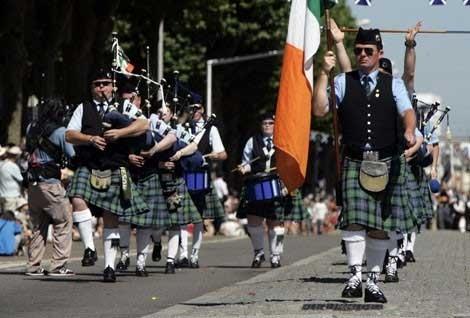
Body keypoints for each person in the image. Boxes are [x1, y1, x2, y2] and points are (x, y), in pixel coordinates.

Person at [313, 27, 417, 303]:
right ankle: (354, 276)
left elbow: (407, 112)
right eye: (358, 50)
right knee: (354, 221)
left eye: (368, 51)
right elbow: (320, 109)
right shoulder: (343, 81)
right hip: (355, 159)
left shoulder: (393, 83)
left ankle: (372, 281)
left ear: (379, 53)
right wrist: (323, 73)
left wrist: (409, 131)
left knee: (379, 225)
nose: (362, 55)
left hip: (386, 161)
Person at [66, 68, 149, 282]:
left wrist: (121, 133)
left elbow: (143, 124)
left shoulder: (123, 106)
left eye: (105, 83)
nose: (101, 87)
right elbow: (69, 134)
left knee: (110, 217)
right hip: (89, 163)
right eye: (96, 84)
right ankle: (90, 248)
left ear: (112, 85)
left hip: (115, 165)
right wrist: (90, 139)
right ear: (91, 87)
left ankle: (110, 267)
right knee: (76, 199)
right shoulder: (82, 108)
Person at [24, 97, 75, 276]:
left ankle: (33, 266)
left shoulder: (31, 127)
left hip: (32, 184)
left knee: (39, 225)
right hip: (51, 184)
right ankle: (58, 266)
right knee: (64, 221)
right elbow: (72, 154)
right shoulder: (61, 131)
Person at [177, 103, 227, 268]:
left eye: (196, 108)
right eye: (190, 108)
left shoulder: (211, 129)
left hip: (201, 175)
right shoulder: (181, 127)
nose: (193, 112)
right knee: (182, 218)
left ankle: (194, 255)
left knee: (199, 218)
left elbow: (223, 154)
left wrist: (215, 155)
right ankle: (183, 254)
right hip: (182, 174)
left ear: (202, 110)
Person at [237, 113, 286, 268]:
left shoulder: (283, 141)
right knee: (253, 221)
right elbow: (246, 162)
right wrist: (244, 168)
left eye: (270, 123)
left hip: (277, 184)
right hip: (256, 185)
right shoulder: (252, 141)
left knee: (275, 223)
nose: (267, 125)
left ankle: (275, 255)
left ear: (275, 124)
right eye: (264, 123)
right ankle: (259, 253)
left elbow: (288, 163)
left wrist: (287, 185)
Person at [0, 146, 24, 213]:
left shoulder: (1, 163)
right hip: (11, 196)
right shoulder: (13, 166)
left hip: (2, 195)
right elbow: (21, 179)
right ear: (17, 156)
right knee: (9, 218)